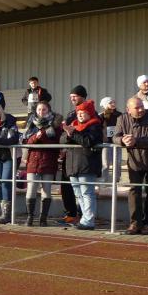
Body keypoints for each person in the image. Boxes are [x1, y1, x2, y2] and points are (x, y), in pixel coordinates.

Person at [113, 97, 148, 235]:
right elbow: (115, 137)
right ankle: (135, 223)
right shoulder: (122, 119)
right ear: (128, 110)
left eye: (142, 106)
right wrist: (123, 140)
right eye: (137, 108)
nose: (141, 109)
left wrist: (136, 141)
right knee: (134, 191)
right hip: (135, 161)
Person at [60, 100, 104, 230]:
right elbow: (62, 140)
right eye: (78, 112)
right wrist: (69, 134)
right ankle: (85, 218)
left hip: (87, 164)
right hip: (73, 164)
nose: (79, 114)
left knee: (87, 193)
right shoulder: (73, 125)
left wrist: (72, 133)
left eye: (83, 112)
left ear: (89, 113)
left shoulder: (95, 126)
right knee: (78, 193)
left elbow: (88, 141)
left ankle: (88, 221)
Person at [23, 101, 61, 226]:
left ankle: (43, 219)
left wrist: (42, 137)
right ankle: (30, 217)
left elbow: (57, 142)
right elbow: (26, 141)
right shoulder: (31, 123)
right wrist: (35, 137)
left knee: (46, 190)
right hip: (33, 161)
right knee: (31, 188)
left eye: (44, 109)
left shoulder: (55, 124)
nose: (41, 112)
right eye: (39, 109)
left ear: (49, 110)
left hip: (48, 160)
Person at [57, 86, 86, 225]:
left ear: (83, 96)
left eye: (75, 96)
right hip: (69, 155)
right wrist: (67, 137)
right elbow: (63, 137)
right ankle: (70, 214)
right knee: (66, 185)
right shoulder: (70, 114)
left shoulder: (90, 113)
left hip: (83, 157)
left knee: (83, 189)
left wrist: (72, 134)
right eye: (71, 97)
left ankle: (84, 216)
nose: (72, 99)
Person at [98, 97, 122, 177]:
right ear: (105, 105)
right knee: (105, 163)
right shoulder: (101, 116)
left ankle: (116, 179)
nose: (113, 104)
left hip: (117, 142)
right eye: (110, 103)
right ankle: (104, 180)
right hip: (106, 143)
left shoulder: (119, 115)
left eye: (114, 102)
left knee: (117, 162)